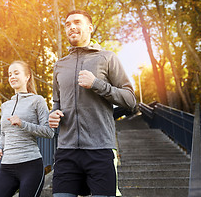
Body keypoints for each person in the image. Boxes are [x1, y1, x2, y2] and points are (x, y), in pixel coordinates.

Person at [48, 10, 136, 197]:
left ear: (89, 27)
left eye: (77, 22)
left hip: (100, 149)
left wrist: (97, 84)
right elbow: (57, 102)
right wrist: (54, 115)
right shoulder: (59, 65)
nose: (72, 26)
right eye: (68, 24)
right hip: (66, 151)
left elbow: (130, 100)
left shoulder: (107, 58)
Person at [0, 60, 54, 197]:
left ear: (27, 76)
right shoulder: (6, 105)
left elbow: (49, 132)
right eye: (10, 74)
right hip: (7, 167)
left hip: (30, 165)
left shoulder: (37, 100)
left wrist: (23, 124)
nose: (12, 77)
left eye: (16, 73)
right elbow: (4, 133)